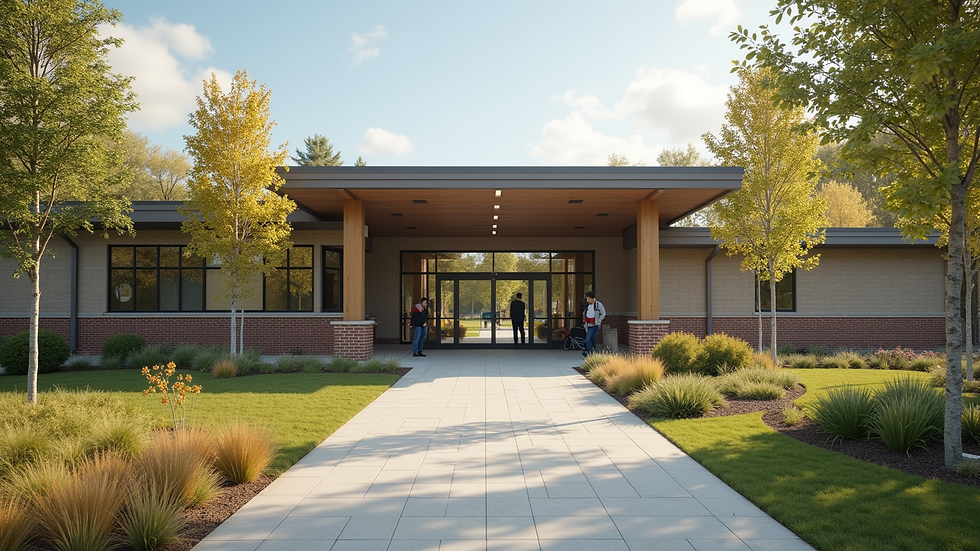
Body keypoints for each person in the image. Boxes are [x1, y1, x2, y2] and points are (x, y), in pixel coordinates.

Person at [582, 291, 606, 358]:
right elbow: (584, 314)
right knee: (592, 340)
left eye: (588, 299)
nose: (587, 300)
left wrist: (598, 321)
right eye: (586, 299)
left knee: (588, 339)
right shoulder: (587, 305)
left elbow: (603, 313)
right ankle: (593, 354)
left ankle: (591, 353)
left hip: (595, 325)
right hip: (588, 325)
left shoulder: (598, 305)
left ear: (592, 298)